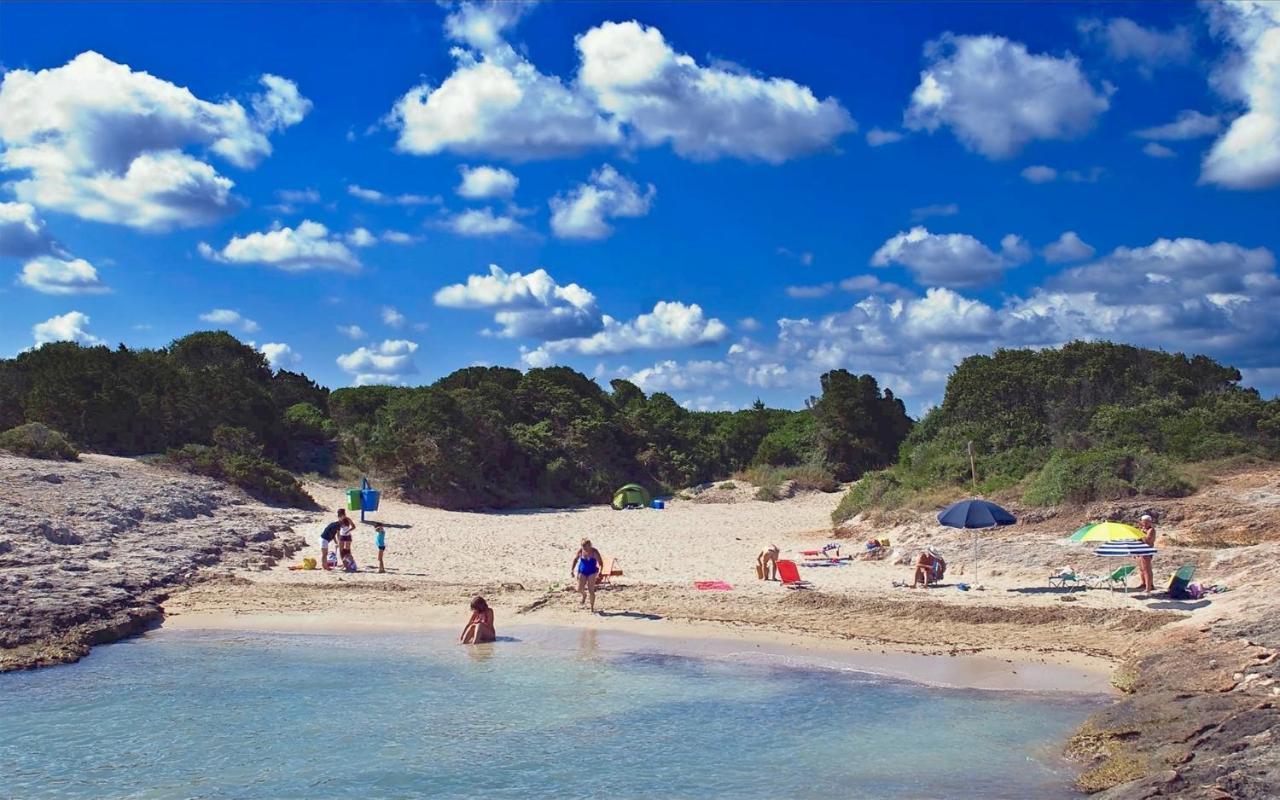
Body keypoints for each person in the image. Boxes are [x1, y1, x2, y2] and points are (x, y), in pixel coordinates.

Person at [571, 539, 604, 612]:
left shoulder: (594, 552)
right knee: (579, 589)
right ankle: (584, 595)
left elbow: (601, 563)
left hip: (592, 572)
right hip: (583, 571)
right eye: (583, 547)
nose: (584, 549)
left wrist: (600, 572)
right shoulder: (581, 551)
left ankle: (592, 608)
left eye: (585, 547)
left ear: (590, 546)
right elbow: (575, 560)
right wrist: (572, 570)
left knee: (591, 590)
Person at [1137, 514, 1158, 592]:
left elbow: (1148, 541)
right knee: (1141, 569)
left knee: (1147, 569)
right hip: (1139, 550)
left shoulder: (1151, 530)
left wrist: (1141, 534)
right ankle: (1143, 583)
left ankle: (1149, 587)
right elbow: (1138, 540)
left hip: (1147, 551)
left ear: (1150, 522)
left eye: (1147, 522)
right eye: (1143, 522)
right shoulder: (1142, 529)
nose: (1145, 524)